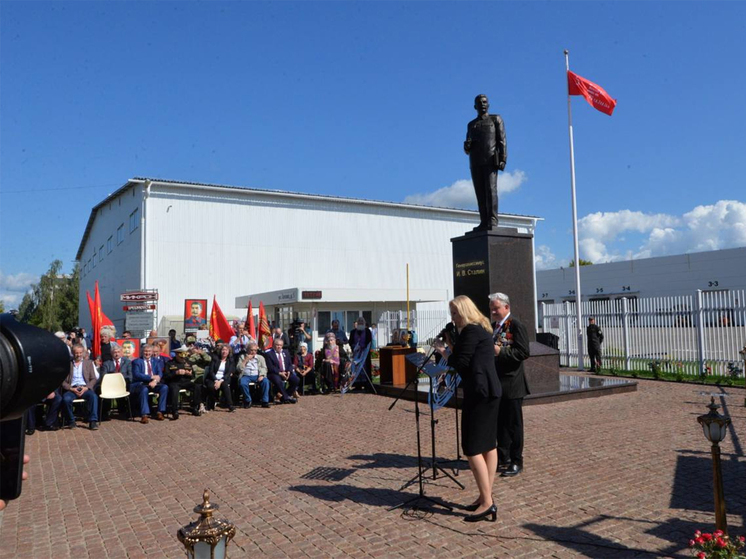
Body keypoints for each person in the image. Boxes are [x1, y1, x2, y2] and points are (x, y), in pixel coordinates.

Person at [437, 295, 500, 522]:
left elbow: (460, 363)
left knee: (473, 448)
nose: (453, 317)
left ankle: (487, 502)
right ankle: (486, 496)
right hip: (489, 391)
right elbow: (468, 357)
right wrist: (452, 346)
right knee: (488, 446)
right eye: (451, 313)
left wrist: (443, 350)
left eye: (455, 313)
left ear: (464, 311)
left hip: (480, 393)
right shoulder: (480, 329)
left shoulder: (471, 331)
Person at [489, 292, 530, 477]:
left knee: (514, 424)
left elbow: (523, 352)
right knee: (500, 424)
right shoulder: (493, 327)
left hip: (512, 383)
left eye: (496, 308)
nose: (493, 311)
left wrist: (500, 352)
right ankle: (502, 456)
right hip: (497, 382)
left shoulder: (516, 325)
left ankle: (516, 460)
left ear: (506, 307)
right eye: (491, 308)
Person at [464, 94, 507, 231]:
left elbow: (502, 140)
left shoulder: (496, 119)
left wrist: (503, 159)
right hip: (475, 162)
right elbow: (467, 149)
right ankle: (484, 221)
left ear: (488, 104)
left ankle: (492, 220)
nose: (482, 104)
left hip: (490, 160)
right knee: (480, 193)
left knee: (491, 191)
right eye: (479, 102)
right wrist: (467, 146)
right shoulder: (471, 125)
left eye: (485, 102)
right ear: (475, 106)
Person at [61, 344, 100, 430]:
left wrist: (86, 387)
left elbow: (93, 378)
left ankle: (92, 421)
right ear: (73, 353)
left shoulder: (88, 363)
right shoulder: (68, 364)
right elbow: (62, 381)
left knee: (93, 397)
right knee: (66, 399)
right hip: (72, 388)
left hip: (85, 387)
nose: (78, 355)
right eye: (76, 353)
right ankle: (71, 421)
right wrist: (71, 388)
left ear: (83, 353)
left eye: (80, 353)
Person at [131, 343, 168, 423]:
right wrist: (150, 377)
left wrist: (154, 381)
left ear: (152, 352)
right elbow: (137, 375)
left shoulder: (156, 361)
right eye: (145, 351)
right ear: (142, 352)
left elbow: (159, 373)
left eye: (149, 351)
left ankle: (160, 412)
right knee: (144, 390)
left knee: (164, 387)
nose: (147, 353)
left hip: (153, 383)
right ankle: (144, 414)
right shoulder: (137, 361)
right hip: (141, 383)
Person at [163, 345, 203, 418]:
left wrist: (190, 374)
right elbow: (166, 376)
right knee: (174, 390)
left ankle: (195, 407)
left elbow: (193, 375)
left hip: (185, 382)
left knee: (197, 386)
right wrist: (175, 373)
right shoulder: (170, 363)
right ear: (176, 354)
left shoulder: (188, 362)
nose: (183, 358)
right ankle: (174, 410)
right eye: (181, 356)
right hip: (174, 382)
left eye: (184, 355)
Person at [98, 343, 133, 420]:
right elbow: (103, 376)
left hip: (123, 385)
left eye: (118, 352)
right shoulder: (107, 363)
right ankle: (106, 413)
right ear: (111, 354)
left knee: (131, 388)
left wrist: (118, 378)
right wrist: (113, 378)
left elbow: (130, 377)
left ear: (121, 353)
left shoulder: (127, 362)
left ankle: (124, 412)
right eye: (115, 352)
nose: (116, 354)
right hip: (110, 386)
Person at [237, 341, 271, 408]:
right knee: (242, 383)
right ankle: (248, 400)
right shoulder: (242, 357)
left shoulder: (260, 358)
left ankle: (265, 401)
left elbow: (264, 368)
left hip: (257, 375)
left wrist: (262, 375)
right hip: (246, 375)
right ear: (247, 350)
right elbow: (238, 369)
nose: (253, 352)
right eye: (251, 350)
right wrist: (245, 360)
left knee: (266, 381)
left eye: (255, 350)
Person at [265, 338, 298, 404]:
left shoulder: (286, 352)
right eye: (277, 345)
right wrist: (280, 373)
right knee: (277, 380)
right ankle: (286, 397)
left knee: (296, 380)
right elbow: (270, 367)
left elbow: (289, 364)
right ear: (273, 345)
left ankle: (285, 396)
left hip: (286, 372)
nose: (279, 347)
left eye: (280, 345)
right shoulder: (269, 354)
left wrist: (289, 371)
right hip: (274, 373)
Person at [204, 344, 236, 412]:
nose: (224, 352)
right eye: (223, 350)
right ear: (220, 351)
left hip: (224, 379)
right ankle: (211, 404)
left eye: (226, 350)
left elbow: (228, 373)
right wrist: (216, 380)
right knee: (210, 387)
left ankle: (230, 405)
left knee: (225, 386)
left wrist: (220, 381)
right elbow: (211, 371)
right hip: (213, 378)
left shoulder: (230, 361)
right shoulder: (215, 359)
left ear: (229, 352)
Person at [348, 317, 373, 390]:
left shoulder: (367, 331)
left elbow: (369, 341)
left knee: (365, 368)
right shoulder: (353, 332)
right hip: (356, 353)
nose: (361, 323)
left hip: (365, 353)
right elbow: (350, 341)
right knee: (356, 368)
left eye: (362, 322)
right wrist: (354, 347)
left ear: (364, 323)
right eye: (359, 322)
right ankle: (357, 384)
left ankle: (366, 383)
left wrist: (364, 347)